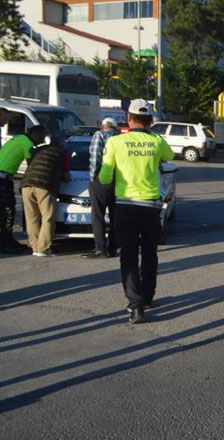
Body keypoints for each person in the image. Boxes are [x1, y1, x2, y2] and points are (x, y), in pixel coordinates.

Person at [98, 99, 174, 324]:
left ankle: (135, 306)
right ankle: (148, 297)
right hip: (150, 207)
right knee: (150, 253)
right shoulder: (157, 141)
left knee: (129, 256)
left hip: (125, 206)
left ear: (128, 119)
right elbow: (169, 156)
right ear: (150, 120)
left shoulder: (116, 142)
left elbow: (104, 176)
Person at [0, 125, 49, 254]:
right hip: (3, 179)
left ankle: (7, 240)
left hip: (4, 177)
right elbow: (32, 165)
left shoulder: (19, 138)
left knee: (4, 210)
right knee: (8, 210)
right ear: (36, 136)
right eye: (42, 138)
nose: (42, 141)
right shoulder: (27, 144)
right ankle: (5, 242)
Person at [21, 137, 70, 256]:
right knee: (48, 216)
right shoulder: (62, 153)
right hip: (44, 185)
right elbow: (65, 175)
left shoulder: (39, 150)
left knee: (32, 218)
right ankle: (43, 248)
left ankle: (35, 247)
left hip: (26, 184)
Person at [83, 118, 118, 258]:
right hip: (119, 181)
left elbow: (95, 156)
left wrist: (92, 176)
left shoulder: (100, 135)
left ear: (103, 126)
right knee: (115, 216)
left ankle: (100, 248)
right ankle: (113, 247)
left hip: (102, 180)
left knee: (98, 214)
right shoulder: (120, 139)